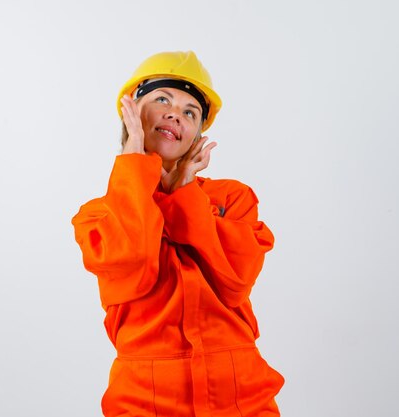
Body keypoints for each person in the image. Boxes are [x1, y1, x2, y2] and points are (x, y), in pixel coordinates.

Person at [72, 51, 284, 417]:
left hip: (240, 396)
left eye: (190, 112)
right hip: (145, 399)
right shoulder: (100, 214)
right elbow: (133, 259)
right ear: (133, 113)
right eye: (162, 100)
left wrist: (184, 191)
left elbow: (235, 282)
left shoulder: (231, 198)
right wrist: (133, 160)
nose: (175, 114)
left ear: (197, 134)